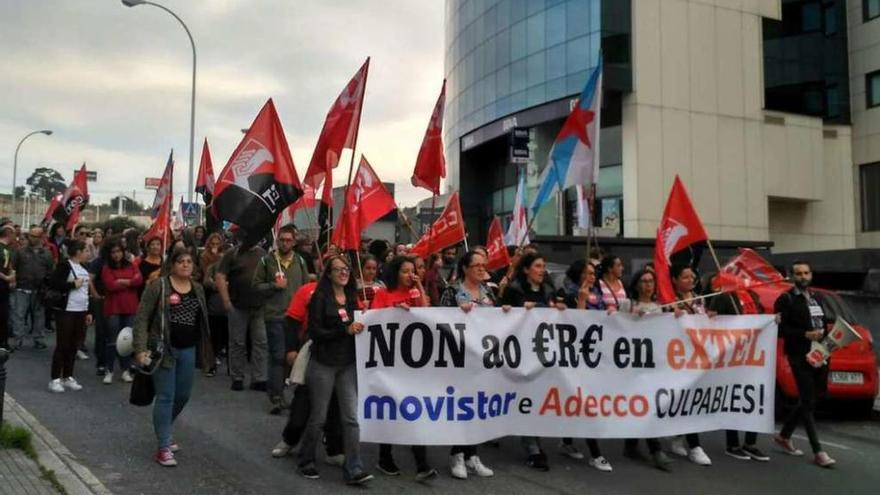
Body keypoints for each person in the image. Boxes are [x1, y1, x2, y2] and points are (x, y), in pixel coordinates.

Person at [133, 247, 214, 467]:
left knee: (183, 395)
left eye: (189, 261)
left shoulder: (197, 288)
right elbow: (142, 318)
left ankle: (165, 429)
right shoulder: (158, 286)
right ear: (172, 265)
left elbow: (202, 320)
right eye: (181, 261)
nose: (186, 265)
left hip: (188, 349)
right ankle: (163, 447)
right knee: (166, 396)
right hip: (163, 350)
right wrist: (140, 349)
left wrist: (207, 351)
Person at [296, 255, 373, 485]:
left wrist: (366, 315)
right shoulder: (320, 297)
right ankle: (306, 459)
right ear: (328, 273)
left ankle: (354, 468)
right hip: (323, 364)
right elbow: (316, 332)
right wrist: (344, 331)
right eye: (338, 269)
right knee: (318, 418)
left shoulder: (351, 296)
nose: (343, 273)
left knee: (351, 418)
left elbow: (356, 325)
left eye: (346, 269)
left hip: (347, 364)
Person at [371, 256, 436, 480]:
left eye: (413, 271)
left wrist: (418, 285)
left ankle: (422, 464)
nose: (410, 275)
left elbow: (427, 313)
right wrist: (394, 310)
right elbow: (374, 320)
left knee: (414, 410)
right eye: (405, 271)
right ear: (395, 273)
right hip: (389, 362)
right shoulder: (383, 293)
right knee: (389, 410)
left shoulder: (414, 293)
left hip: (412, 363)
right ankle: (384, 457)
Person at [499, 252, 565, 471]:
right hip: (521, 354)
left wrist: (559, 311)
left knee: (539, 397)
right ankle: (532, 447)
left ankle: (535, 440)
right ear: (526, 269)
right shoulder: (515, 290)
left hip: (543, 354)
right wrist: (511, 310)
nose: (542, 270)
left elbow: (556, 316)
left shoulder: (548, 290)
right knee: (526, 397)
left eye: (543, 265)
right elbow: (501, 317)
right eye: (537, 266)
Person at [773, 261, 836, 468]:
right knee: (808, 402)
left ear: (811, 275)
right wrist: (804, 334)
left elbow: (824, 323)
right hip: (799, 355)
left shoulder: (817, 298)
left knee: (813, 397)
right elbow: (780, 330)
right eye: (799, 273)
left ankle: (784, 435)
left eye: (806, 273)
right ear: (792, 276)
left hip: (820, 353)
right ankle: (818, 451)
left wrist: (828, 339)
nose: (803, 276)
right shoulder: (786, 299)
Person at [439, 251, 496, 480]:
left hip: (482, 358)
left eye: (484, 265)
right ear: (465, 268)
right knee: (460, 406)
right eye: (477, 265)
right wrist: (457, 313)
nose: (482, 269)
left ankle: (473, 454)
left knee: (477, 406)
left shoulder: (489, 291)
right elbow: (439, 320)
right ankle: (457, 453)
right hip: (458, 358)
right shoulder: (452, 292)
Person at [704, 274, 772, 462]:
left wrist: (773, 321)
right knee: (732, 395)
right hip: (733, 355)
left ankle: (750, 443)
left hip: (754, 355)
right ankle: (732, 444)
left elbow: (761, 319)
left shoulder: (753, 296)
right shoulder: (723, 296)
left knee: (755, 395)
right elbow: (712, 321)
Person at [253, 224, 309, 414]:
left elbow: (305, 288)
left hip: (296, 317)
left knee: (291, 356)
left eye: (288, 240)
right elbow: (256, 286)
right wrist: (272, 286)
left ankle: (287, 392)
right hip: (275, 315)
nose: (285, 243)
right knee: (277, 356)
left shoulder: (300, 261)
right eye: (282, 240)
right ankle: (276, 397)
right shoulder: (267, 261)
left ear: (294, 242)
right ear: (277, 241)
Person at [622, 269, 673, 471]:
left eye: (651, 281)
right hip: (631, 364)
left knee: (645, 405)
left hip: (652, 364)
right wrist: (629, 317)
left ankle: (634, 446)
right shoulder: (628, 304)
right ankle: (654, 449)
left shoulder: (660, 307)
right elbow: (614, 328)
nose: (648, 285)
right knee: (640, 405)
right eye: (643, 281)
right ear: (636, 285)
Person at [665, 264, 712, 466]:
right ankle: (695, 446)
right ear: (675, 280)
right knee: (687, 398)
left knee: (690, 399)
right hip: (676, 357)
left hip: (697, 356)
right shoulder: (669, 301)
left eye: (692, 276)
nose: (691, 279)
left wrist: (709, 318)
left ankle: (677, 436)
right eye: (685, 276)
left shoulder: (699, 299)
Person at [216, 239, 269, 391]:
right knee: (237, 342)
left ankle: (259, 378)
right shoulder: (232, 253)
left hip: (259, 306)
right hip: (237, 305)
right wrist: (226, 300)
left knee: (261, 342)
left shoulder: (263, 254)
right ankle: (237, 377)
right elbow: (220, 276)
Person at [46, 240, 93, 393]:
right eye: (86, 250)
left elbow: (87, 291)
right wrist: (72, 284)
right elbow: (53, 283)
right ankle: (54, 378)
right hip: (66, 310)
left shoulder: (85, 268)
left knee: (74, 344)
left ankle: (68, 376)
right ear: (78, 252)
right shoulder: (65, 265)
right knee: (63, 344)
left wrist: (89, 311)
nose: (88, 253)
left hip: (81, 310)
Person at [100, 237, 143, 384]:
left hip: (130, 307)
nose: (116, 255)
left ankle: (125, 370)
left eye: (118, 251)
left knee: (126, 341)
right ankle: (109, 370)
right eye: (113, 252)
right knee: (112, 340)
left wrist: (122, 281)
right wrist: (129, 282)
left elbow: (139, 280)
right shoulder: (106, 268)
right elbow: (110, 285)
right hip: (113, 308)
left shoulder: (131, 265)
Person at [11, 226, 54, 350]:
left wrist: (47, 287)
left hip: (39, 289)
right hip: (22, 288)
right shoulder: (20, 251)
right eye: (30, 235)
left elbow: (50, 271)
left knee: (39, 315)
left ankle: (38, 339)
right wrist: (13, 280)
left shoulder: (47, 253)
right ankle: (18, 339)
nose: (31, 238)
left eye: (34, 236)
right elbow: (13, 268)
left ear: (41, 237)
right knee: (19, 314)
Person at [200, 232, 227, 376]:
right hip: (211, 295)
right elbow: (206, 277)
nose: (215, 246)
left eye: (217, 244)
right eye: (213, 243)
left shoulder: (225, 257)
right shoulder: (205, 256)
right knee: (213, 326)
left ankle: (221, 349)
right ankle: (212, 355)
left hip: (224, 297)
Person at [0, 225, 16, 350]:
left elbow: (9, 265)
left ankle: (3, 342)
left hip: (4, 286)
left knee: (4, 314)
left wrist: (11, 276)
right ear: (8, 233)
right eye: (14, 233)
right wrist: (6, 278)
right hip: (1, 283)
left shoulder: (8, 249)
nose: (16, 237)